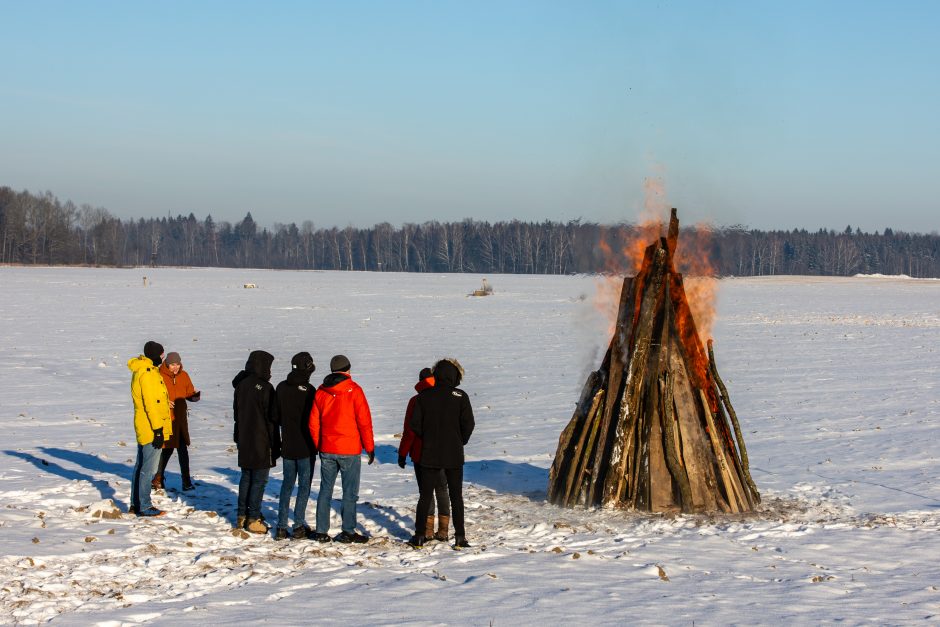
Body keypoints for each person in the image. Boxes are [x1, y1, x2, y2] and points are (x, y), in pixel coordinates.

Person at [408, 358, 474, 548]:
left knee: (425, 496)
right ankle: (460, 537)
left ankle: (420, 536)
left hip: (429, 453)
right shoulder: (460, 396)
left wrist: (428, 437)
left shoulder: (423, 396)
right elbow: (468, 424)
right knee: (456, 497)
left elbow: (415, 425)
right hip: (453, 454)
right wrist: (460, 440)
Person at [308, 354, 375, 544]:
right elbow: (364, 422)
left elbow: (313, 423)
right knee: (349, 492)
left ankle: (321, 530)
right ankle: (348, 530)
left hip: (327, 448)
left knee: (325, 490)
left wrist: (318, 444)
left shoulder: (321, 391)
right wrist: (369, 447)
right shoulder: (354, 390)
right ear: (348, 369)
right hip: (349, 449)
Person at [398, 367, 451, 541]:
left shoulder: (416, 400)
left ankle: (428, 530)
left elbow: (409, 430)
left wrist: (403, 452)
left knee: (426, 492)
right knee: (442, 489)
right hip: (443, 452)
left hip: (421, 454)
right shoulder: (446, 396)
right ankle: (443, 530)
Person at [232, 350, 280, 534]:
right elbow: (273, 418)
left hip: (244, 438)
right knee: (259, 480)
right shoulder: (265, 388)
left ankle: (242, 515)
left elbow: (237, 414)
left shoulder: (240, 385)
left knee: (246, 477)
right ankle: (253, 518)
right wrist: (274, 444)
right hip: (261, 440)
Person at [127, 341, 174, 517]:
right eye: (162, 355)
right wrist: (158, 430)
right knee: (148, 469)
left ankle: (135, 504)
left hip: (145, 425)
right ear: (155, 355)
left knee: (140, 467)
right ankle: (144, 506)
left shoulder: (146, 370)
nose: (163, 358)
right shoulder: (148, 374)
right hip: (150, 428)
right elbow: (150, 404)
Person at [274, 352, 317, 540]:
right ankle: (298, 524)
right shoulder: (309, 390)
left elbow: (275, 416)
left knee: (287, 485)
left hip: (288, 444)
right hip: (306, 445)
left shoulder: (281, 388)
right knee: (304, 486)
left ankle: (281, 526)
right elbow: (315, 419)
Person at [153, 352, 201, 492]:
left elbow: (188, 392)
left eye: (177, 364)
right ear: (167, 364)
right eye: (173, 364)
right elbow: (154, 396)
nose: (175, 367)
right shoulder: (159, 376)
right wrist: (164, 402)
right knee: (167, 449)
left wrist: (194, 396)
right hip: (167, 419)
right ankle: (158, 479)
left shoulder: (184, 375)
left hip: (180, 419)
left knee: (182, 450)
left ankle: (186, 481)